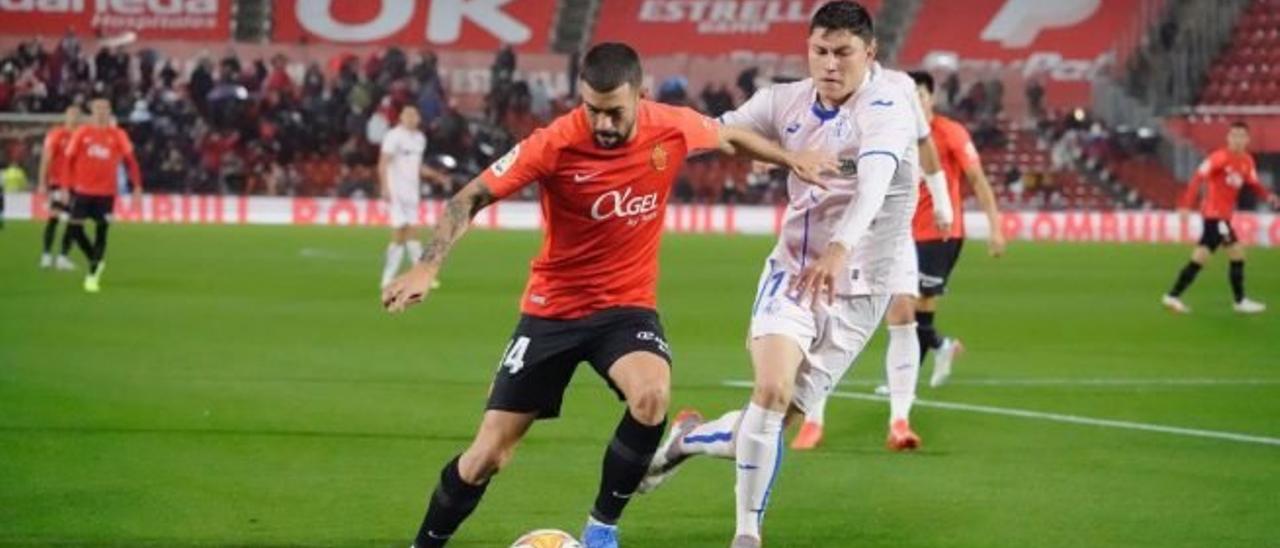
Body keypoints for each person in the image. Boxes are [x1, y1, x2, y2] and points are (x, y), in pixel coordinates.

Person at [380, 42, 832, 548]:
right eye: (591, 109)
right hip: (551, 311)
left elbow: (728, 138)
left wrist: (790, 158)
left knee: (652, 395)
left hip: (624, 308)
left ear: (641, 95)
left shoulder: (672, 124)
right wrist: (426, 264)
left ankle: (601, 529)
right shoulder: (553, 143)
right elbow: (472, 196)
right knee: (488, 456)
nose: (601, 123)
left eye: (614, 111)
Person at [637, 3, 946, 545]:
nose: (829, 64)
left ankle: (688, 438)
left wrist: (841, 248)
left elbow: (872, 186)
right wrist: (649, 133)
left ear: (869, 54)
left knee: (767, 426)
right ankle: (747, 534)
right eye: (819, 51)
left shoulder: (888, 105)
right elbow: (714, 131)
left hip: (862, 289)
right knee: (772, 388)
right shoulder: (784, 100)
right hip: (796, 272)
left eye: (843, 53)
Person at [905, 70, 1006, 386]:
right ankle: (940, 346)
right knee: (899, 307)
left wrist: (995, 228)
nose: (915, 102)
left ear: (931, 98)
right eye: (909, 97)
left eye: (920, 95)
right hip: (905, 234)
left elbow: (977, 180)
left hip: (940, 233)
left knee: (916, 305)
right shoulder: (900, 134)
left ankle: (904, 382)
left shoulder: (950, 133)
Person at [1163, 121, 1278, 314]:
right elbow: (1197, 177)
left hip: (1223, 217)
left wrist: (1268, 196)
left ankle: (1173, 296)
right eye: (1234, 135)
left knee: (1202, 257)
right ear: (1228, 137)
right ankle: (1239, 301)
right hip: (1214, 216)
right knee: (1235, 253)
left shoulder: (1247, 161)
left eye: (1241, 136)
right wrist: (1185, 205)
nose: (1237, 140)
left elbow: (1254, 183)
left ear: (1247, 139)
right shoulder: (1219, 157)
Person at [63, 97, 142, 293]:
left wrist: (137, 187)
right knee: (74, 229)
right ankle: (94, 259)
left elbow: (131, 161)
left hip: (106, 193)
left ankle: (92, 275)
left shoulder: (118, 135)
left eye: (105, 108)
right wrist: (65, 187)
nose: (101, 112)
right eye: (98, 108)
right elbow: (68, 161)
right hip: (83, 190)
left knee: (101, 232)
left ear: (109, 112)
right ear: (91, 112)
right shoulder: (82, 133)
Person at [378, 105, 449, 290]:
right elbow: (383, 163)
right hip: (397, 191)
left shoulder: (419, 138)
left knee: (411, 233)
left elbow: (417, 166)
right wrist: (385, 187)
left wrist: (437, 176)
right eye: (407, 114)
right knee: (401, 232)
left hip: (412, 192)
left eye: (414, 114)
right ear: (401, 117)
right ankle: (389, 277)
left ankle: (417, 276)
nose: (411, 117)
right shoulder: (393, 136)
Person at [38, 105, 81, 270]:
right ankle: (46, 255)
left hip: (77, 184)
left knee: (75, 220)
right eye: (71, 114)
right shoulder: (57, 134)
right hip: (57, 182)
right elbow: (46, 158)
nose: (74, 118)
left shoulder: (82, 136)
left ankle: (63, 256)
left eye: (77, 115)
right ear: (66, 116)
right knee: (54, 216)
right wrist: (43, 182)